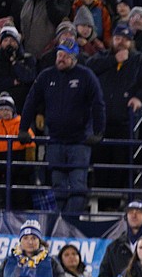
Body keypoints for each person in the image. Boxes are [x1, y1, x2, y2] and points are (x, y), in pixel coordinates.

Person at [19, 37, 104, 212]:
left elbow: (98, 103)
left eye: (65, 55)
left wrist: (98, 131)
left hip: (79, 141)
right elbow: (31, 101)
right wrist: (23, 128)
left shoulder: (86, 76)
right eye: (59, 54)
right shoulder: (46, 76)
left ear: (74, 58)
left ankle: (71, 223)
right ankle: (59, 224)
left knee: (77, 185)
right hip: (55, 140)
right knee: (57, 185)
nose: (61, 58)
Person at [89, 22, 142, 191]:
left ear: (131, 42)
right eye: (118, 38)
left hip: (125, 123)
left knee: (121, 164)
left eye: (125, 39)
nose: (121, 42)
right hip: (101, 123)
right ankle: (100, 200)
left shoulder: (141, 60)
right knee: (100, 163)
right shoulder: (102, 57)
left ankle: (118, 201)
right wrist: (113, 60)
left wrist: (139, 98)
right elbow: (88, 70)